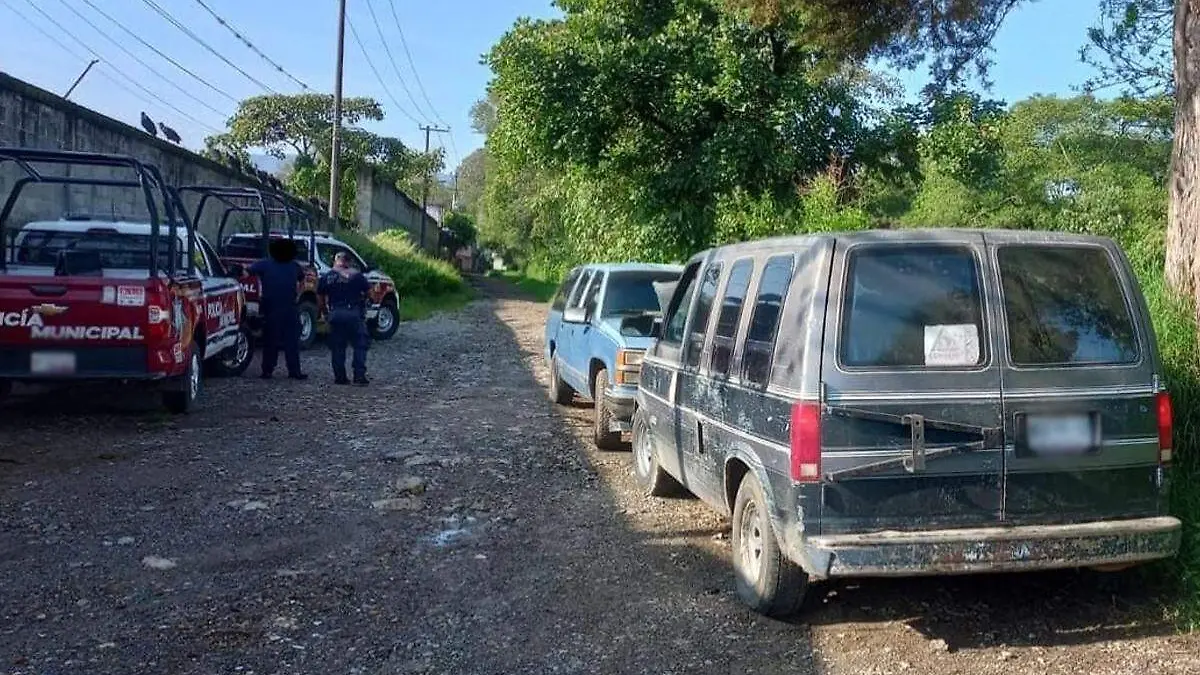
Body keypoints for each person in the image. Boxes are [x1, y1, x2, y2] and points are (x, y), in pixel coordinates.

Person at [249, 238, 307, 380]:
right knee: (291, 341)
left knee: (271, 340)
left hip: (272, 306)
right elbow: (302, 281)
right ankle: (294, 371)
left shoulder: (265, 264)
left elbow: (248, 271)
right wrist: (298, 295)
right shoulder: (294, 266)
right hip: (288, 306)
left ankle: (268, 370)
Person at [318, 251, 371, 385]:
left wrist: (324, 312)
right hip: (354, 313)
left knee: (337, 346)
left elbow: (320, 297)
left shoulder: (328, 276)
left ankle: (340, 377)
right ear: (349, 262)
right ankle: (359, 376)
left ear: (336, 261)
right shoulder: (357, 275)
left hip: (335, 314)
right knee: (360, 344)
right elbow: (370, 294)